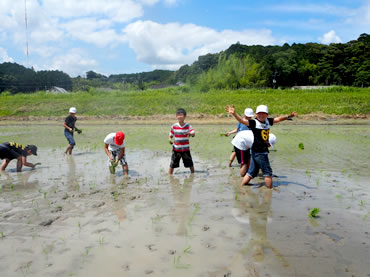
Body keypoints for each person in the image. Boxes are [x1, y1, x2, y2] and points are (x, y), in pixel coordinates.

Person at [226, 104, 297, 188]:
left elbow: (278, 119)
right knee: (268, 173)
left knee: (251, 173)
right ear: (256, 114)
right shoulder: (254, 122)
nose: (261, 115)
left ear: (267, 115)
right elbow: (242, 121)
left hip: (255, 152)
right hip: (260, 152)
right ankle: (269, 192)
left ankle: (242, 187)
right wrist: (234, 114)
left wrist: (288, 116)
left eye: (263, 113)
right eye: (259, 113)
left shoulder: (268, 121)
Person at [168, 108, 195, 175]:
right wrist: (170, 139)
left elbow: (193, 133)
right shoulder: (174, 126)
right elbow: (170, 135)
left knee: (190, 163)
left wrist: (190, 133)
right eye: (178, 115)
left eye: (181, 115)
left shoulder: (188, 126)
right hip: (176, 149)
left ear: (185, 116)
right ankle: (170, 176)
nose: (180, 116)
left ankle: (193, 174)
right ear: (176, 116)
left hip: (185, 149)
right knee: (172, 164)